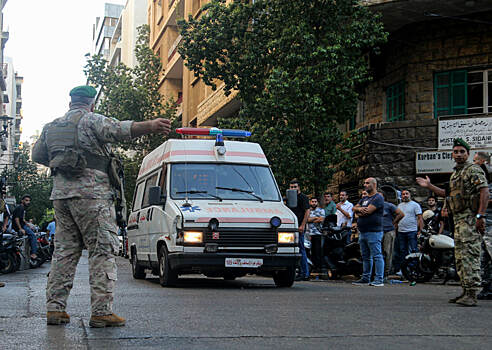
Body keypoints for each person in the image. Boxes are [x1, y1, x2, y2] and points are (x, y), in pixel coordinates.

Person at [32, 85, 172, 326]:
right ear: (91, 104)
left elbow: (37, 156)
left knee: (64, 252)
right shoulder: (91, 121)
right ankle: (101, 312)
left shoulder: (52, 126)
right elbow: (121, 130)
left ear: (70, 103)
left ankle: (55, 309)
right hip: (92, 196)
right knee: (101, 250)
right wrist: (151, 125)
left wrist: (62, 162)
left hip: (61, 197)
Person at [416, 138, 489, 306]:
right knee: (461, 257)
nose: (458, 155)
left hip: (470, 219)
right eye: (456, 152)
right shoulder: (456, 174)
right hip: (458, 221)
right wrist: (429, 186)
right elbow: (446, 194)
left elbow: (484, 192)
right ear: (452, 154)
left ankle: (471, 294)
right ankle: (465, 291)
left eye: (462, 152)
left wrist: (480, 216)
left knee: (470, 256)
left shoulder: (473, 170)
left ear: (468, 154)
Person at [352, 178, 385, 286]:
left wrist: (359, 210)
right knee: (366, 257)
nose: (365, 185)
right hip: (363, 231)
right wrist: (360, 210)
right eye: (364, 183)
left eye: (367, 183)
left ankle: (379, 279)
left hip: (374, 232)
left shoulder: (378, 197)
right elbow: (354, 208)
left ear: (374, 184)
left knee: (377, 255)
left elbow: (368, 211)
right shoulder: (365, 198)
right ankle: (366, 278)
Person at [473, 151, 492, 300]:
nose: (474, 164)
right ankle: (488, 287)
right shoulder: (479, 180)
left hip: (490, 225)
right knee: (484, 258)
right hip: (484, 227)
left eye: (476, 161)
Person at [393, 189, 423, 274]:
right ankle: (404, 269)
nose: (405, 195)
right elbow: (397, 218)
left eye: (406, 194)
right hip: (401, 231)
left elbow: (420, 218)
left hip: (412, 231)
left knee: (414, 250)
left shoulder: (415, 205)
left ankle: (414, 269)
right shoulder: (399, 206)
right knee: (402, 251)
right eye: (403, 194)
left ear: (410, 195)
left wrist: (420, 230)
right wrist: (395, 229)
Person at [287, 179, 310, 281]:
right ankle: (299, 272)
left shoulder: (303, 198)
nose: (293, 189)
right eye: (291, 187)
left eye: (295, 187)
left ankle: (304, 273)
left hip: (299, 227)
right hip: (291, 227)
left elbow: (307, 211)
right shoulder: (289, 197)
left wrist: (302, 225)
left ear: (299, 187)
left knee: (301, 249)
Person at [381, 192, 404, 281]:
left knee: (387, 252)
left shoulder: (389, 206)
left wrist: (394, 222)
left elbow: (401, 214)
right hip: (377, 231)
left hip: (388, 231)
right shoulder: (374, 206)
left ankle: (386, 272)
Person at [12, 195, 38, 260]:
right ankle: (33, 253)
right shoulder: (20, 208)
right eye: (26, 200)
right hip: (19, 226)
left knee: (33, 230)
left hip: (23, 225)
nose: (28, 202)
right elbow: (17, 219)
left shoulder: (22, 208)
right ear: (22, 201)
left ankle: (30, 248)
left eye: (29, 201)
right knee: (33, 236)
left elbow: (22, 219)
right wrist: (20, 229)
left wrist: (28, 224)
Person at [307, 197, 325, 272]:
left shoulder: (321, 210)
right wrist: (316, 218)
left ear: (317, 202)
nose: (314, 203)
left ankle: (318, 267)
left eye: (315, 201)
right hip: (308, 233)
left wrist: (312, 219)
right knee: (310, 251)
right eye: (312, 201)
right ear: (310, 202)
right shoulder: (308, 211)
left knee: (317, 251)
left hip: (317, 233)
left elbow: (322, 219)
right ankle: (311, 267)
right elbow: (307, 219)